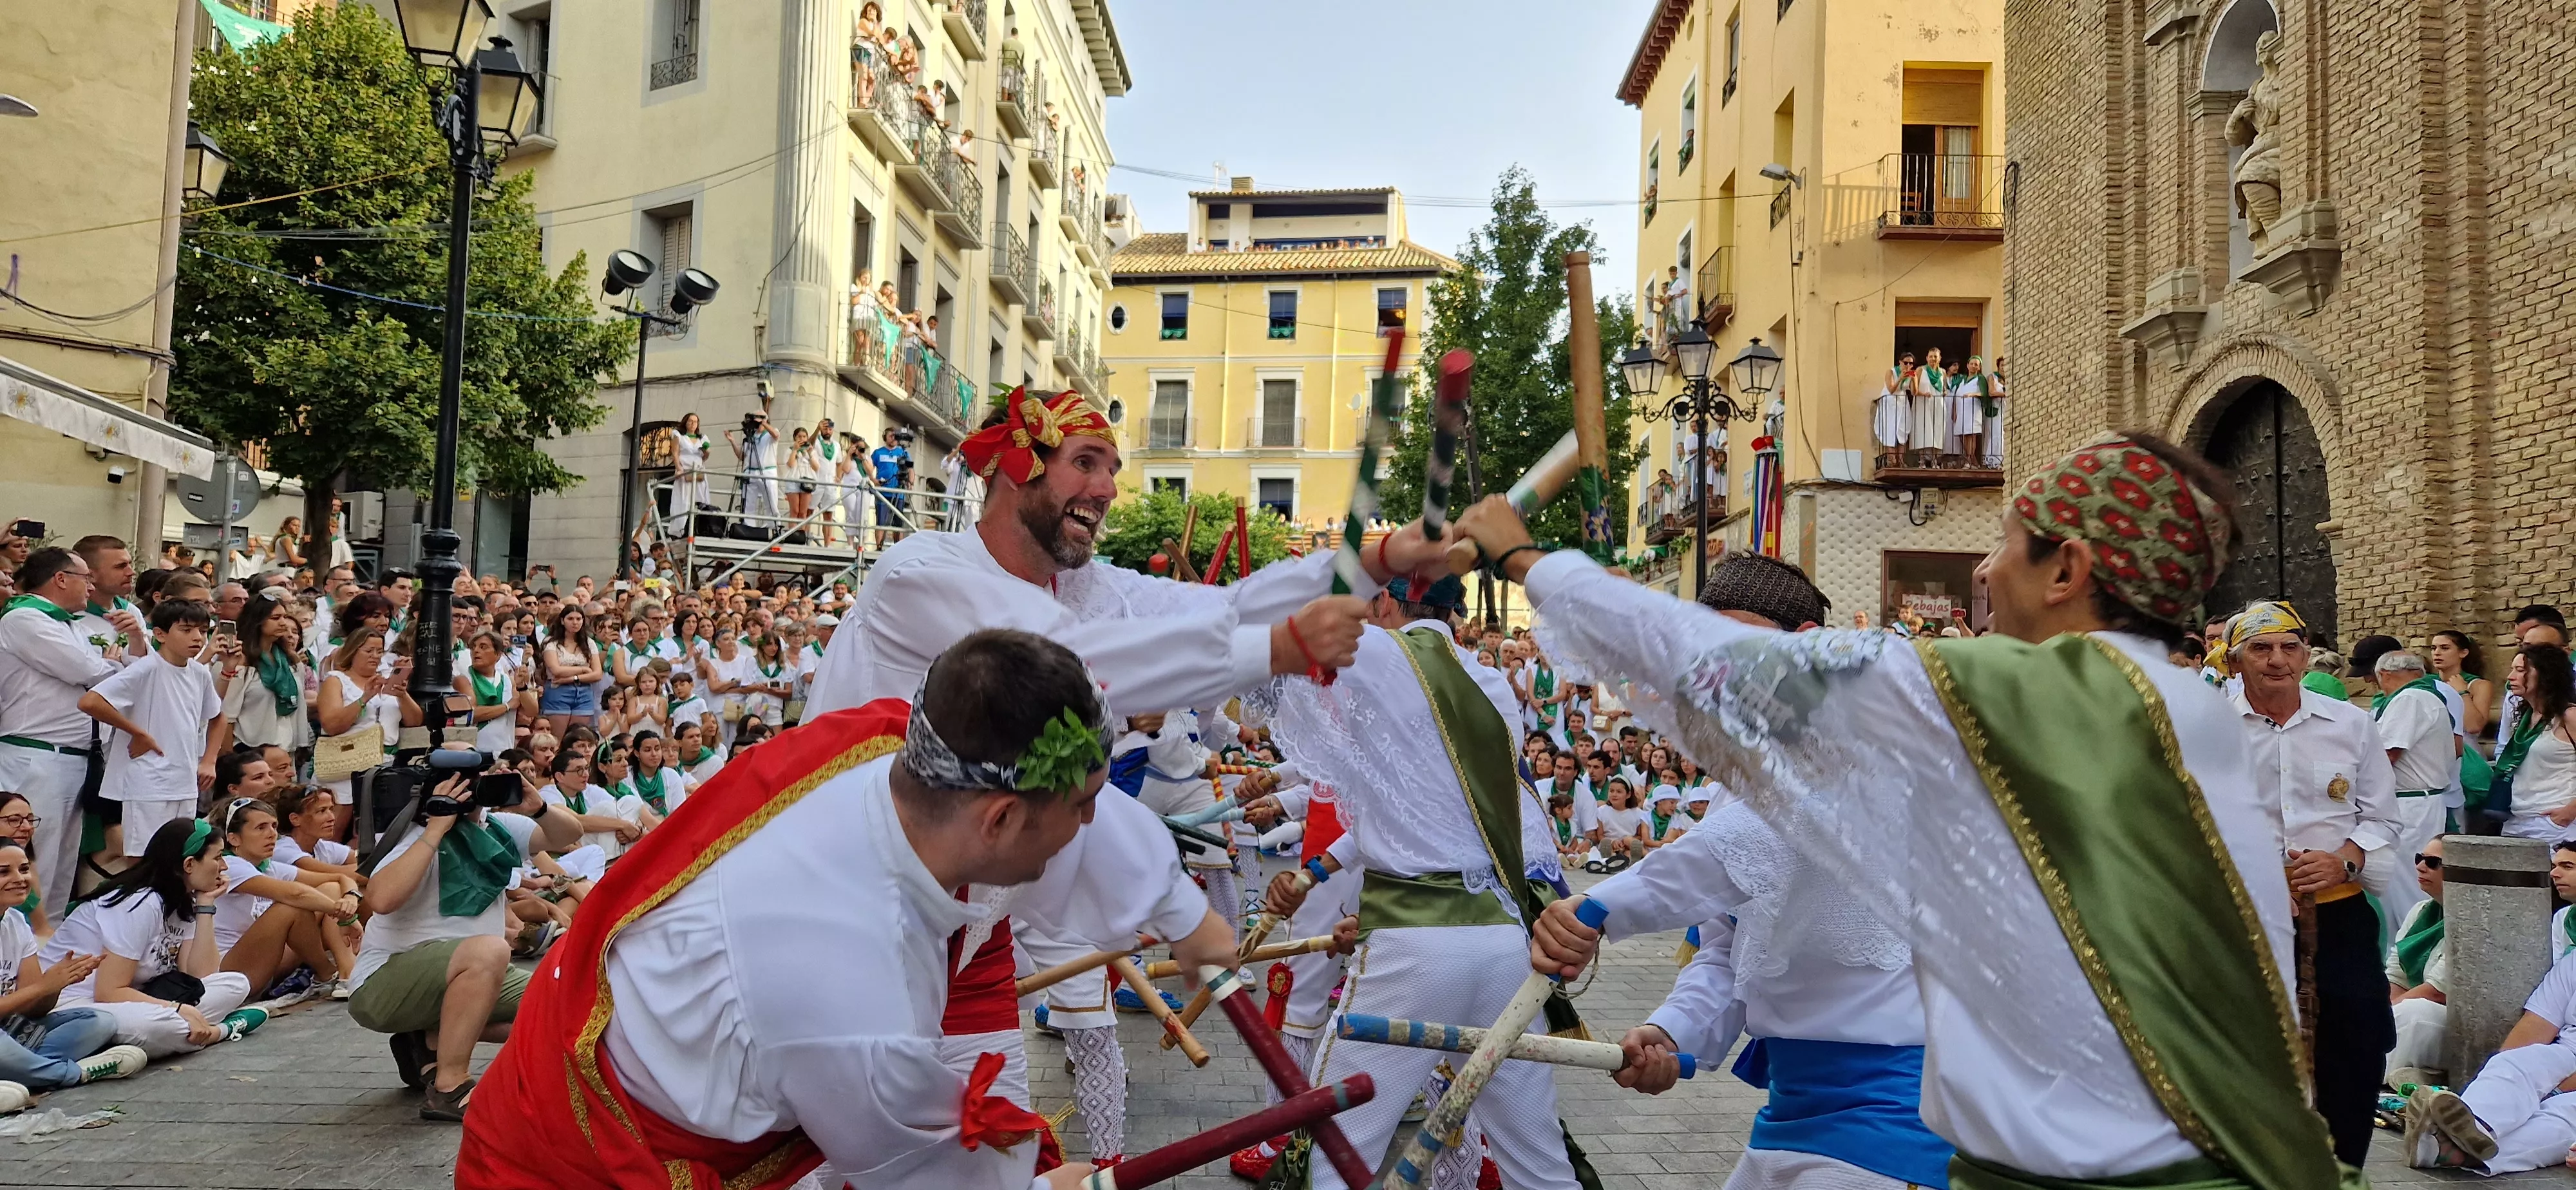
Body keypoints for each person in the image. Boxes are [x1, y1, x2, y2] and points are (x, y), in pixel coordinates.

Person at [1459, 433, 2352, 1190]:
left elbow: (1728, 672)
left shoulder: (2047, 696)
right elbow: (1739, 925)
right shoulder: (2176, 711)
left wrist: (1526, 561)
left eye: (2006, 543)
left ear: (2068, 571)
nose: (1983, 568)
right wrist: (1677, 1029)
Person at [457, 628, 1239, 1190]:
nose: (1091, 828)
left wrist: (1182, 913)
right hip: (570, 1162)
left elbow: (1047, 795)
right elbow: (915, 1171)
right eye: (1084, 806)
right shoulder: (853, 983)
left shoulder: (883, 742)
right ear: (998, 820)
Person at [1567, 550, 1951, 1190]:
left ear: (1804, 647)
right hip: (1790, 1117)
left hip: (1892, 1122)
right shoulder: (1738, 785)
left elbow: (1727, 854)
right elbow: (1726, 956)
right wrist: (1669, 1034)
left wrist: (1595, 910)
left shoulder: (1860, 744)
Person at [806, 386, 1422, 724]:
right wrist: (1281, 649)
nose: (1106, 491)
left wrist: (1380, 560)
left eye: (1112, 471)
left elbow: (1225, 607)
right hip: (854, 897)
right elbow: (1060, 670)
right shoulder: (920, 572)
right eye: (1084, 464)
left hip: (972, 912)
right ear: (1019, 467)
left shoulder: (1085, 587)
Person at [1253, 574, 1588, 1190]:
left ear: (1384, 603)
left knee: (1331, 1152)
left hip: (1414, 946)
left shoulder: (1377, 655)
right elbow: (1423, 814)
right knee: (1537, 1164)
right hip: (1502, 946)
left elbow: (1271, 637)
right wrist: (1315, 872)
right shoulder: (1488, 680)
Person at [2225, 600, 2400, 1164]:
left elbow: (2382, 818)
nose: (2277, 661)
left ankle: (2342, 1167)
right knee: (2246, 1044)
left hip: (2337, 911)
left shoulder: (2351, 723)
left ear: (2305, 655)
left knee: (2355, 1039)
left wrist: (2343, 860)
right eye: (2260, 648)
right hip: (2244, 916)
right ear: (2235, 662)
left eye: (2289, 647)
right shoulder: (2210, 729)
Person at [345, 762, 582, 1120]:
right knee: (490, 949)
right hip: (384, 984)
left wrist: (540, 807)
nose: (473, 788)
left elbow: (567, 836)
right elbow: (380, 900)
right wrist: (436, 829)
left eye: (479, 776)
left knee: (564, 1009)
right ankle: (450, 1086)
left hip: (467, 974)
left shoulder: (497, 828)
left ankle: (428, 1043)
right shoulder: (413, 836)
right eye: (461, 779)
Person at [38, 818, 263, 1060]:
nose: (224, 867)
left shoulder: (182, 900)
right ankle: (223, 1030)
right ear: (189, 864)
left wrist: (206, 906)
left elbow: (201, 976)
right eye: (218, 857)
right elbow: (109, 992)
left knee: (236, 983)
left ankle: (170, 1038)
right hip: (79, 1004)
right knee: (161, 1026)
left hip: (136, 997)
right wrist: (177, 1009)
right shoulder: (140, 903)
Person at [0, 547, 124, 911]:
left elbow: (102, 671)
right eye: (86, 578)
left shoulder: (66, 622)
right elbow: (86, 671)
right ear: (60, 579)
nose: (91, 586)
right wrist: (108, 667)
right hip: (36, 755)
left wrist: (107, 667)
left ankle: (47, 949)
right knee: (31, 861)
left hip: (72, 758)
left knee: (61, 867)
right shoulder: (24, 618)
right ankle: (19, 950)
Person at [2404, 945, 2576, 1173]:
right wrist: (2508, 1090)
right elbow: (2533, 1030)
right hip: (2567, 1051)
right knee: (2516, 1063)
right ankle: (2474, 1123)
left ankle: (2445, 1148)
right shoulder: (2573, 963)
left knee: (2562, 1115)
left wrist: (2555, 1091)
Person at [0, 838, 144, 1110]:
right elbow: (33, 993)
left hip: (11, 1031)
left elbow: (30, 1009)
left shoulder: (16, 921)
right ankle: (74, 1074)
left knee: (98, 1021)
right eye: (4, 872)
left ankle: (23, 1072)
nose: (19, 879)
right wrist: (43, 987)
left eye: (23, 869)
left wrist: (57, 983)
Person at [79, 600, 227, 858]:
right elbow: (91, 701)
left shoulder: (198, 673)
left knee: (182, 855)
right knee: (143, 856)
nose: (197, 638)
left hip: (185, 780)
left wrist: (209, 761)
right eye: (186, 630)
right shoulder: (147, 668)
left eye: (203, 631)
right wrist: (138, 732)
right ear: (160, 634)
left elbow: (217, 717)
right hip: (149, 781)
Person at [208, 795, 359, 998]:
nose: (272, 835)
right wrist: (346, 915)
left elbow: (340, 877)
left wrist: (350, 896)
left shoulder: (268, 866)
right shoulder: (229, 865)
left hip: (265, 961)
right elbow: (295, 894)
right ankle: (327, 974)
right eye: (261, 828)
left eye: (274, 826)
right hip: (231, 973)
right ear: (234, 838)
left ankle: (348, 975)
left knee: (330, 889)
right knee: (291, 907)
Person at [2374, 648, 2458, 921]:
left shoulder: (2411, 698)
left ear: (2384, 675)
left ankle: (2407, 948)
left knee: (2409, 884)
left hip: (2411, 805)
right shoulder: (2428, 695)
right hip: (2419, 801)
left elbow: (2387, 754)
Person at [316, 632, 421, 810]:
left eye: (379, 651)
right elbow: (332, 725)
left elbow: (415, 721)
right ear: (353, 651)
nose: (375, 656)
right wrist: (364, 699)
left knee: (378, 829)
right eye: (369, 651)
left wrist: (403, 696)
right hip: (347, 766)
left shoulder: (386, 679)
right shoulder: (336, 680)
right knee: (338, 828)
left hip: (385, 765)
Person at [2494, 644, 2576, 839]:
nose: (2510, 676)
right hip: (2516, 820)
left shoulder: (2569, 716)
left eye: (2520, 670)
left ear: (2546, 675)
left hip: (2555, 823)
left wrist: (2571, 811)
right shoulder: (2523, 718)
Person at [2385, 839, 2449, 1086]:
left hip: (2455, 1024)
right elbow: (2395, 976)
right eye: (2419, 859)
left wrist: (2385, 1015)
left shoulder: (2473, 918)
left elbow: (2436, 992)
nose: (2421, 867)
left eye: (2433, 863)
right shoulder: (2421, 910)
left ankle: (2360, 1080)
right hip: (2412, 1006)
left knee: (2412, 1013)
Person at [540, 605, 604, 730]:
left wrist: (572, 678)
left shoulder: (589, 642)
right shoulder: (551, 642)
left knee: (578, 736)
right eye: (571, 619)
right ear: (563, 621)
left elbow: (597, 674)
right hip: (558, 690)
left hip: (584, 692)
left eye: (579, 619)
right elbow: (556, 670)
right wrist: (584, 670)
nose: (575, 623)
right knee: (558, 738)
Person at [2430, 630, 2497, 739]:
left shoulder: (2479, 684)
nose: (2437, 653)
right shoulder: (2426, 682)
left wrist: (2462, 693)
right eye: (2433, 648)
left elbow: (2474, 727)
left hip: (2465, 749)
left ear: (2463, 653)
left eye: (2445, 648)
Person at [728, 411, 783, 530]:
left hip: (767, 471)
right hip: (751, 471)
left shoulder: (770, 434)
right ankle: (749, 526)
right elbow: (743, 457)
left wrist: (763, 422)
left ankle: (774, 527)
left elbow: (776, 435)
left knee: (771, 501)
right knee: (749, 502)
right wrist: (732, 441)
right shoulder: (750, 437)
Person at [1907, 346, 1950, 469]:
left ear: (1940, 358)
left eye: (1935, 356)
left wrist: (1945, 392)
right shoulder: (1921, 370)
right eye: (1930, 356)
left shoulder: (1942, 372)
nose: (1933, 359)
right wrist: (1923, 394)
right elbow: (1913, 388)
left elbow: (1944, 388)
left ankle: (1935, 460)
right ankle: (1922, 460)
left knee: (1938, 430)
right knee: (1924, 429)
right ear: (1926, 358)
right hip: (1923, 403)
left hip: (1938, 404)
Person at [1873, 352, 1913, 470]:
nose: (1908, 365)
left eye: (1911, 363)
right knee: (1890, 429)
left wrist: (1914, 379)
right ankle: (1892, 459)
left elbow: (1914, 392)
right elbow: (1891, 389)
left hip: (1902, 402)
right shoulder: (1891, 372)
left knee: (1903, 429)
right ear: (1900, 362)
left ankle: (1901, 460)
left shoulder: (1910, 374)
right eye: (1906, 363)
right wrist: (1900, 378)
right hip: (1890, 402)